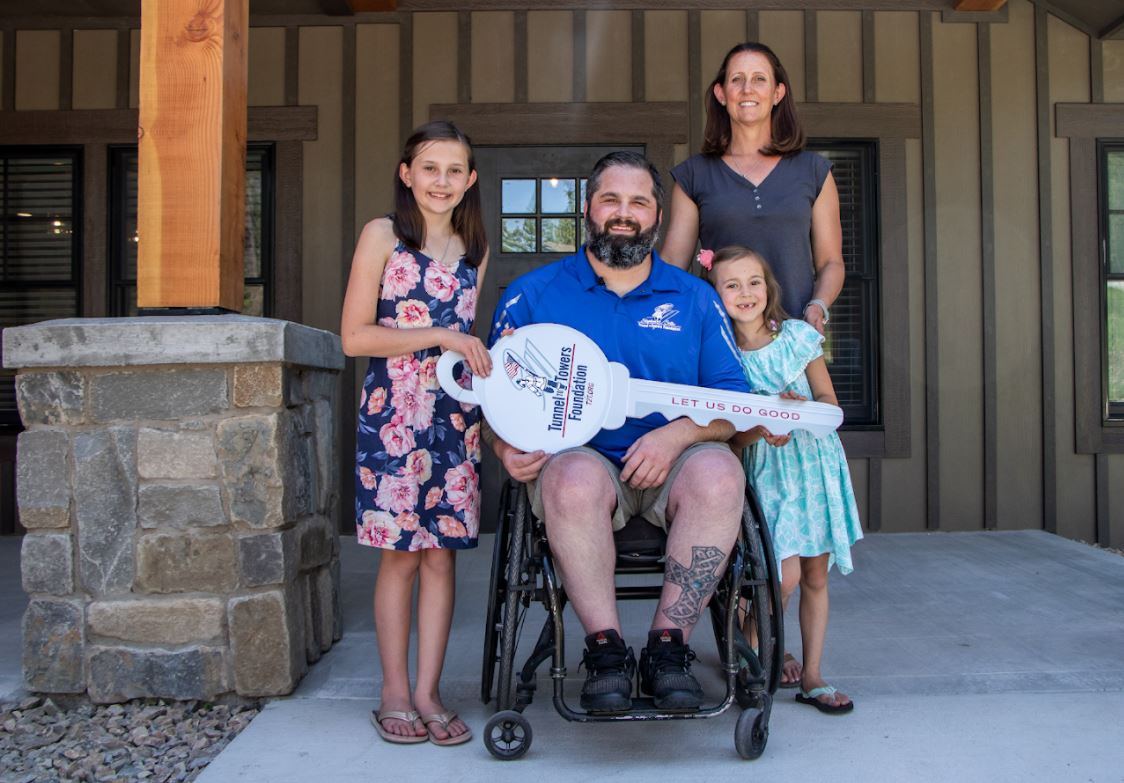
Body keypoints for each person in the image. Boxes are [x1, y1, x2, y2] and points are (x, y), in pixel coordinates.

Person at [487, 151, 751, 713]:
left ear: (657, 215)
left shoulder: (695, 298)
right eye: (611, 199)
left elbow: (736, 403)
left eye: (638, 201)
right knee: (573, 479)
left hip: (677, 466)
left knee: (721, 473)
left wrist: (676, 437)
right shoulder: (533, 295)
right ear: (588, 209)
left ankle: (669, 648)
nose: (623, 213)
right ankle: (605, 651)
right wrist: (503, 446)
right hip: (579, 462)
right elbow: (492, 399)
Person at [340, 121, 492, 745]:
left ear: (470, 180)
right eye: (430, 168)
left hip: (453, 418)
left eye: (455, 170)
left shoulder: (475, 248)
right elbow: (355, 337)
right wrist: (438, 336)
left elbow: (468, 346)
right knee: (400, 556)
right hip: (395, 413)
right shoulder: (383, 235)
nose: (442, 181)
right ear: (407, 173)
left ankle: (430, 691)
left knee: (440, 558)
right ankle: (394, 692)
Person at [704, 245, 861, 715]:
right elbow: (728, 436)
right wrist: (762, 424)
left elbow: (830, 402)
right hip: (768, 472)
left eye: (753, 282)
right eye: (731, 285)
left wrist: (803, 408)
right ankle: (747, 661)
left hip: (814, 466)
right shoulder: (722, 357)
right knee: (779, 576)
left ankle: (812, 676)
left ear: (768, 287)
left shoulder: (796, 337)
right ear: (715, 295)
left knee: (814, 573)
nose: (745, 293)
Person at [661, 42, 845, 336]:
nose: (748, 89)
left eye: (759, 79)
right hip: (719, 341)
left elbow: (831, 262)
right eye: (737, 79)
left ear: (777, 93)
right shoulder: (694, 175)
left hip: (794, 342)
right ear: (721, 94)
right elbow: (672, 265)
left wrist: (818, 305)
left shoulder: (813, 172)